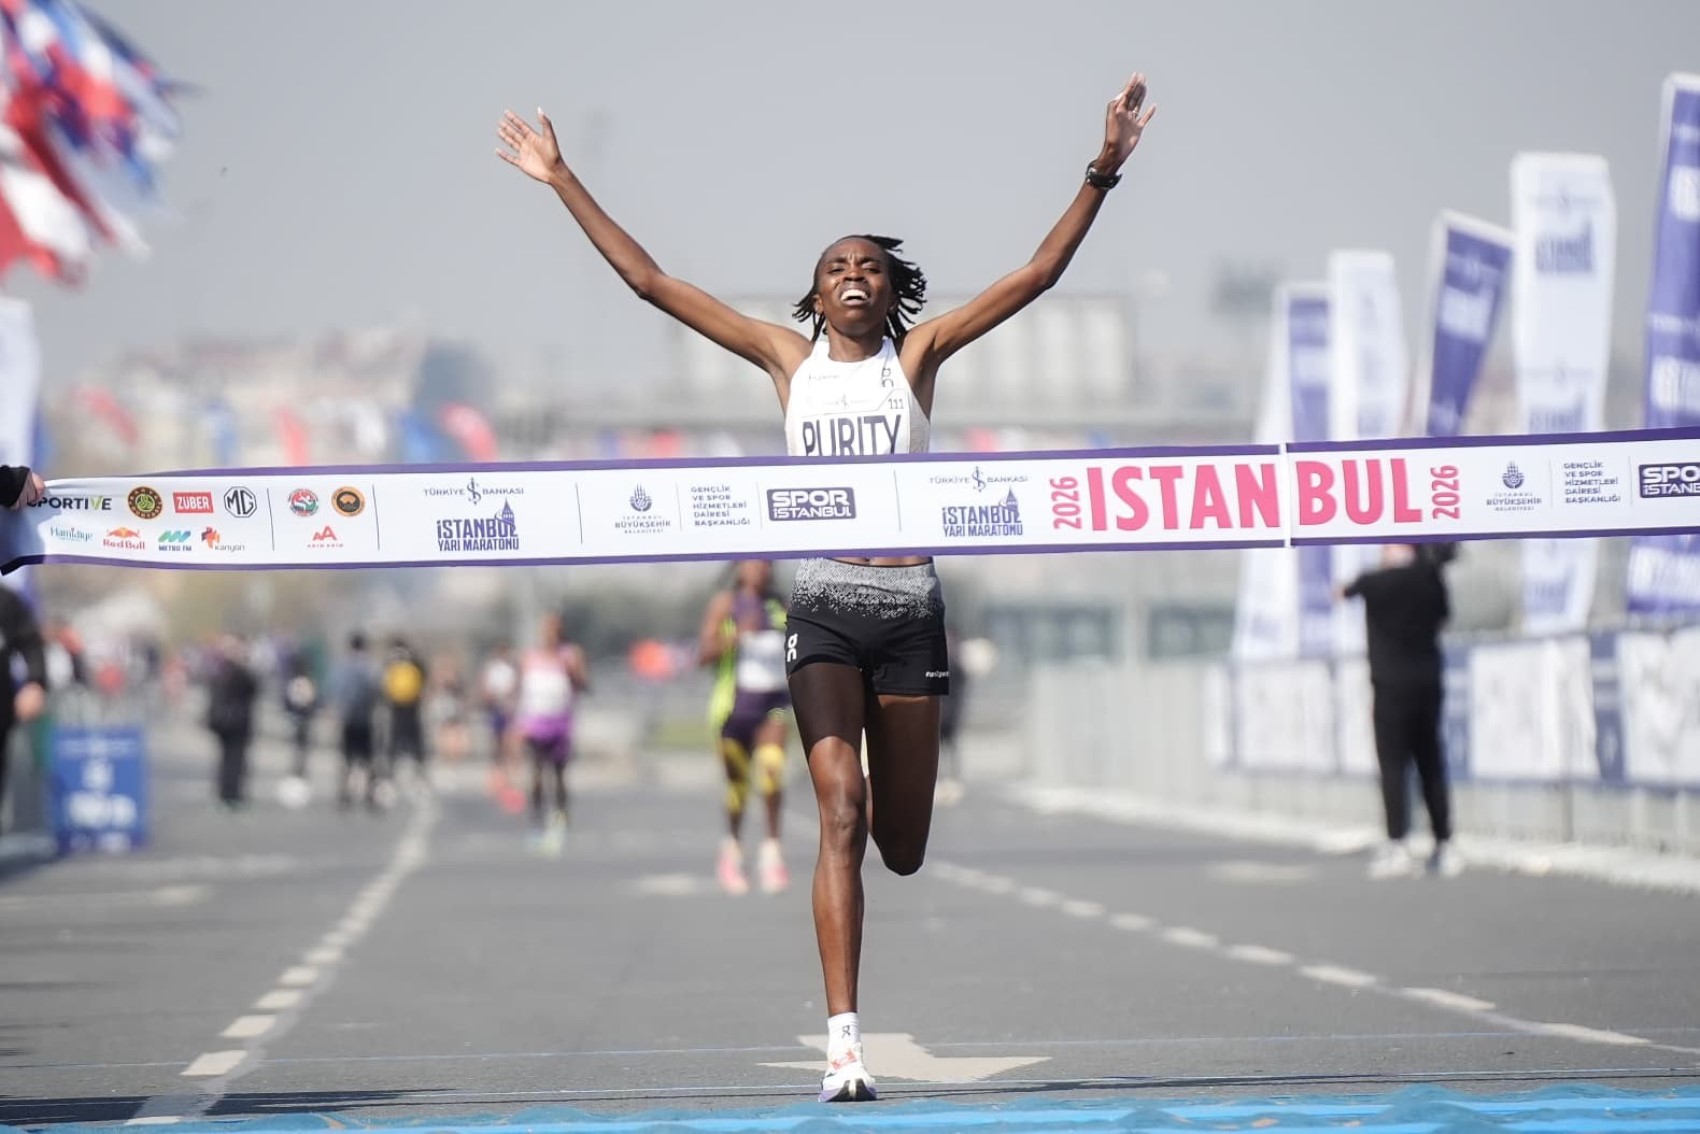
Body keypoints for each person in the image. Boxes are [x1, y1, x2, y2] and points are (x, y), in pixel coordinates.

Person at [498, 71, 1156, 1102]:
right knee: (837, 809)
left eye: (869, 267)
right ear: (814, 299)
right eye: (835, 268)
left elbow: (1034, 276)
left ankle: (881, 835)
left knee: (902, 847)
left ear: (892, 294)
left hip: (910, 615)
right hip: (822, 611)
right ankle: (843, 1042)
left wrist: (1101, 170)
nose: (853, 276)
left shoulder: (918, 358)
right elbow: (652, 283)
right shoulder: (785, 360)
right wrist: (562, 178)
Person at [1338, 543, 1460, 879]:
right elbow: (1444, 619)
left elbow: (1342, 592)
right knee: (1431, 764)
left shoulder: (1375, 582)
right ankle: (1444, 842)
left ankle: (1397, 843)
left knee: (1393, 767)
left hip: (1390, 688)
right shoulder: (1431, 579)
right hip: (1427, 683)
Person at [699, 560, 793, 895]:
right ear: (739, 567)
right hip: (734, 708)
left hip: (773, 706)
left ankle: (772, 852)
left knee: (772, 770)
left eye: (766, 562)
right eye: (753, 562)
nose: (760, 569)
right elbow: (702, 655)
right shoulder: (725, 604)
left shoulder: (779, 605)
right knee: (737, 786)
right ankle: (733, 848)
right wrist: (737, 635)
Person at [513, 611, 588, 855]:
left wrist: (571, 671)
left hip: (560, 722)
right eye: (546, 628)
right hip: (535, 722)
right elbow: (520, 690)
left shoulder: (570, 655)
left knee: (558, 774)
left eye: (554, 628)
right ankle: (536, 822)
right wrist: (518, 724)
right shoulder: (530, 657)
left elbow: (583, 684)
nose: (550, 633)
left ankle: (559, 820)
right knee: (536, 773)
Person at [205, 635, 260, 810]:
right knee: (234, 759)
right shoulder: (235, 671)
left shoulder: (220, 669)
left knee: (229, 758)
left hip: (226, 719)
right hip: (236, 720)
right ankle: (231, 794)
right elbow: (252, 688)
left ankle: (227, 793)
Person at [331, 632, 384, 812]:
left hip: (348, 717)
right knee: (368, 758)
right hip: (366, 717)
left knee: (347, 758)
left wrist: (336, 712)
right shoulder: (370, 666)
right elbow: (378, 689)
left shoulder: (343, 666)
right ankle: (370, 794)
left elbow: (336, 690)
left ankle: (345, 794)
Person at [381, 636, 430, 790]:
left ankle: (390, 774)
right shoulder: (414, 660)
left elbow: (385, 684)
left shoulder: (391, 661)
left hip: (396, 707)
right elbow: (424, 678)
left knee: (394, 741)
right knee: (416, 742)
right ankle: (420, 773)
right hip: (412, 706)